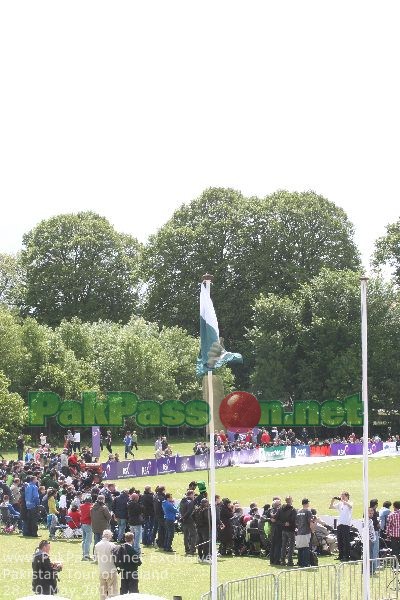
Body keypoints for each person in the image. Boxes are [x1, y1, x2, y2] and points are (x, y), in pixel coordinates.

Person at [94, 529, 118, 600]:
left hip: (102, 570)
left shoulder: (97, 545)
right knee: (112, 591)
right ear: (109, 536)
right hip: (111, 570)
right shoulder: (112, 545)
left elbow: (95, 558)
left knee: (103, 591)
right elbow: (116, 558)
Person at [329, 491, 353, 561]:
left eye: (343, 495)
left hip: (346, 524)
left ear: (347, 496)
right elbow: (331, 507)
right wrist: (332, 500)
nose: (341, 497)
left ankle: (346, 556)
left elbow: (350, 506)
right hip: (340, 524)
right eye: (341, 495)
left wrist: (343, 501)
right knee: (340, 541)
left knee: (346, 541)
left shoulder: (349, 502)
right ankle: (341, 555)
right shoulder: (340, 504)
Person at [276, 495, 297, 566]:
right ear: (290, 501)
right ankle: (290, 561)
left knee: (284, 545)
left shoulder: (280, 509)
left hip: (283, 530)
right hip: (291, 530)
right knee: (291, 546)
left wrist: (283, 524)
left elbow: (277, 519)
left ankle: (282, 560)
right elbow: (294, 520)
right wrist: (290, 524)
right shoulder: (293, 510)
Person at [295, 498, 312, 567]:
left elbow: (296, 522)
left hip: (299, 532)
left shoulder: (298, 512)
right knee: (306, 548)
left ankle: (300, 562)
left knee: (300, 548)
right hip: (306, 532)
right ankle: (305, 563)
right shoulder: (308, 511)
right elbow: (310, 522)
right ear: (307, 503)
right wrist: (312, 530)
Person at [179, 489, 197, 555]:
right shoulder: (190, 502)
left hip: (183, 521)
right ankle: (192, 550)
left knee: (185, 536)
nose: (194, 496)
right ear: (191, 494)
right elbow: (189, 512)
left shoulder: (182, 501)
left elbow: (180, 510)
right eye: (194, 494)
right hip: (189, 520)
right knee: (193, 535)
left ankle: (187, 549)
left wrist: (182, 518)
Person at [80, 494, 93, 561]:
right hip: (88, 524)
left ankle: (84, 553)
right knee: (88, 540)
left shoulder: (81, 506)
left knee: (84, 540)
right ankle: (86, 554)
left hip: (83, 524)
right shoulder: (91, 507)